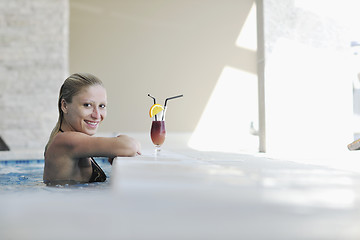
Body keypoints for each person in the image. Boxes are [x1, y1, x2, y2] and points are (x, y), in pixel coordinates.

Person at [43, 73, 141, 184]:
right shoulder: (66, 140)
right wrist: (120, 141)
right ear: (64, 106)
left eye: (102, 106)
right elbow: (130, 146)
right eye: (87, 105)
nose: (97, 115)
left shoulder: (73, 140)